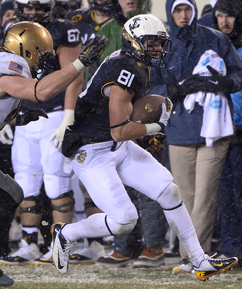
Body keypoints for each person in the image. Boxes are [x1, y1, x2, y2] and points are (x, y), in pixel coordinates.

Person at [51, 14, 238, 281]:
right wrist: (156, 127)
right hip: (91, 150)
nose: (159, 50)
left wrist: (147, 120)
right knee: (125, 220)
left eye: (160, 43)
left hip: (115, 144)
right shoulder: (125, 69)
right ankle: (66, 233)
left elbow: (121, 126)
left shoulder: (135, 62)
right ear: (133, 42)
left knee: (169, 191)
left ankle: (199, 261)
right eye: (152, 44)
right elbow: (120, 130)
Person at [0, 20, 106, 284]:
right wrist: (80, 62)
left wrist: (15, 120)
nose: (44, 58)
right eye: (41, 51)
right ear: (25, 48)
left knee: (12, 193)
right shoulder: (8, 64)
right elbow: (41, 91)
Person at [148, 0, 242, 274]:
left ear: (195, 11)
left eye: (187, 9)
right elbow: (151, 81)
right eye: (177, 10)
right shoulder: (161, 44)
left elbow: (238, 74)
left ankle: (194, 257)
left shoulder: (216, 39)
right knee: (185, 197)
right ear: (169, 12)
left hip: (214, 129)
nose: (183, 15)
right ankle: (190, 255)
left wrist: (226, 83)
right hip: (179, 129)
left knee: (204, 196)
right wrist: (175, 88)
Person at [213, 0, 242, 266]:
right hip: (221, 132)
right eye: (220, 15)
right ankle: (232, 250)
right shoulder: (215, 48)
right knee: (225, 198)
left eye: (230, 15)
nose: (225, 21)